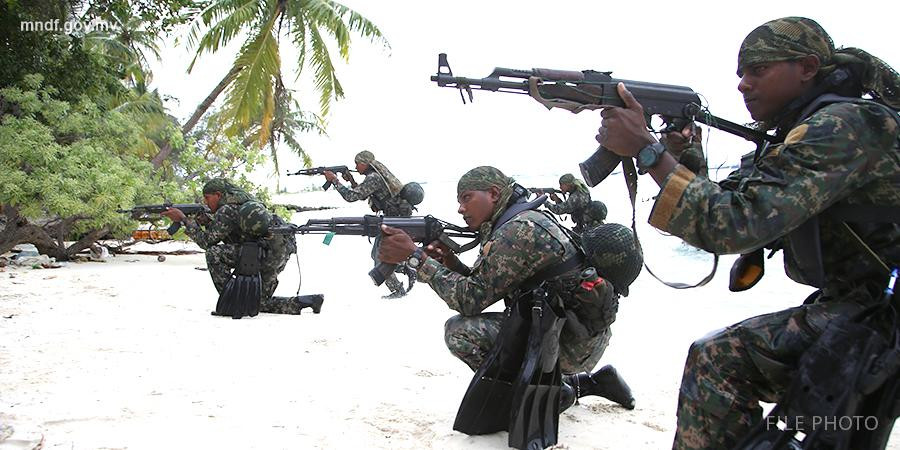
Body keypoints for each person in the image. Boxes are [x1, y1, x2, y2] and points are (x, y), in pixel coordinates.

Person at [596, 17, 899, 449]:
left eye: (758, 70)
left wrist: (649, 151)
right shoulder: (799, 133)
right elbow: (732, 203)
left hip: (882, 312)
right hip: (866, 304)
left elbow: (734, 225)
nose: (743, 84)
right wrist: (682, 159)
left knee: (719, 359)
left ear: (807, 68)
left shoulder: (844, 126)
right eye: (741, 73)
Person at [378, 166, 636, 411]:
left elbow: (469, 300)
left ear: (493, 194)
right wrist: (449, 262)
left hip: (569, 344)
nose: (460, 208)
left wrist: (416, 258)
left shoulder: (517, 230)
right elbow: (486, 285)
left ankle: (547, 394)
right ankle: (588, 383)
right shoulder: (521, 219)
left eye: (467, 198)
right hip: (578, 335)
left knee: (460, 332)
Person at [161, 178, 322, 316]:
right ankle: (306, 301)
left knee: (213, 253)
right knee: (259, 304)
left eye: (207, 197)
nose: (205, 202)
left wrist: (184, 220)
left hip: (262, 255)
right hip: (276, 253)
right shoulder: (241, 203)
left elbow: (207, 242)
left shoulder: (226, 210)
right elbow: (234, 232)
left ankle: (231, 302)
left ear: (218, 195)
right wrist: (208, 222)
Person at [323, 150, 413, 298]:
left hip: (393, 221)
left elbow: (351, 196)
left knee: (379, 256)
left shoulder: (373, 177)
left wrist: (335, 181)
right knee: (377, 255)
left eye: (357, 163)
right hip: (393, 219)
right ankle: (406, 272)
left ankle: (401, 283)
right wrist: (351, 181)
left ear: (365, 163)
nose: (356, 167)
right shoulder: (374, 176)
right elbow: (362, 194)